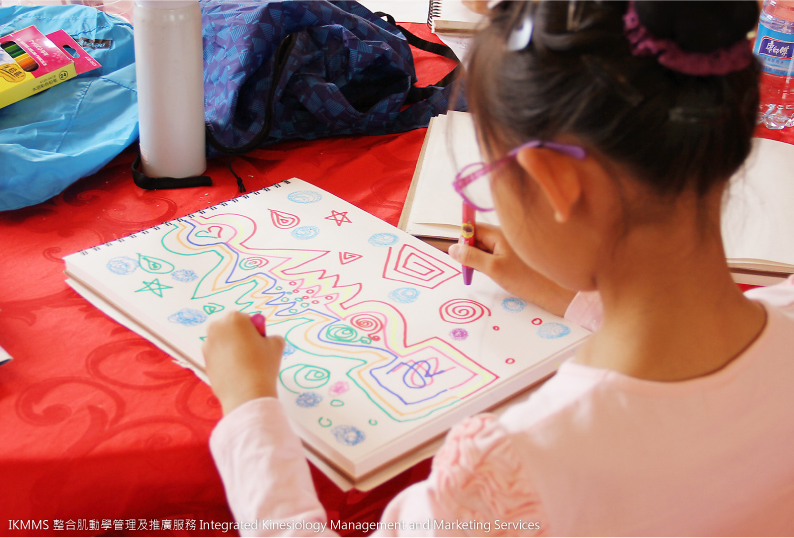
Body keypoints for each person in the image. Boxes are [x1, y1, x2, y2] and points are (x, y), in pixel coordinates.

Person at [202, 1, 794, 535]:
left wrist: (251, 410)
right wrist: (572, 299)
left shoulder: (512, 471)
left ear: (555, 181)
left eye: (488, 172)